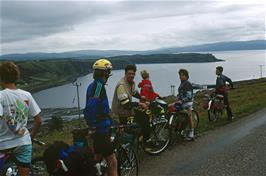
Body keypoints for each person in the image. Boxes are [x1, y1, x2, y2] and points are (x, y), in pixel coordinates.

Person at [0, 61, 42, 176]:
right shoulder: (26, 95)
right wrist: (31, 136)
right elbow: (38, 120)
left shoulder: (1, 96)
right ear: (16, 77)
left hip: (2, 145)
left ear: (1, 78)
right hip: (23, 142)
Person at [83, 58, 117, 176]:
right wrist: (93, 126)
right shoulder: (98, 87)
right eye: (108, 72)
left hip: (97, 129)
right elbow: (91, 107)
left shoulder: (92, 85)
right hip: (101, 129)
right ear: (104, 73)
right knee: (112, 162)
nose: (108, 75)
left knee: (96, 160)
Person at [111, 65, 150, 142]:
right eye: (129, 73)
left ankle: (137, 140)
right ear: (125, 74)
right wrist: (140, 104)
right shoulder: (122, 85)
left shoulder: (131, 82)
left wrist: (141, 97)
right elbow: (126, 104)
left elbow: (133, 92)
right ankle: (145, 141)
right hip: (121, 112)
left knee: (141, 118)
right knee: (143, 118)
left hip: (126, 109)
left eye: (133, 74)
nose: (131, 75)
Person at [169, 69, 194, 139]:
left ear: (186, 76)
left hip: (187, 103)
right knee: (171, 107)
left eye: (182, 75)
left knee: (189, 116)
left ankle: (191, 132)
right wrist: (177, 98)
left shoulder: (187, 83)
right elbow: (181, 93)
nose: (180, 76)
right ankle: (179, 129)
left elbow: (189, 96)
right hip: (182, 102)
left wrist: (181, 100)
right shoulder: (182, 83)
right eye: (180, 75)